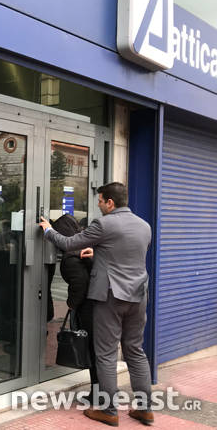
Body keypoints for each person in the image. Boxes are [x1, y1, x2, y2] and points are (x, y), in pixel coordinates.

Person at [39, 182, 153, 427]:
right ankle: (145, 409)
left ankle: (109, 411)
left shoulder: (104, 224)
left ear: (110, 202)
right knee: (135, 351)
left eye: (100, 201)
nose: (98, 205)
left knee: (106, 354)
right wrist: (98, 253)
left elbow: (68, 243)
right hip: (138, 296)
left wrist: (48, 230)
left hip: (111, 297)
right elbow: (125, 254)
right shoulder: (144, 226)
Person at [51, 214, 97, 396]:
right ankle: (101, 392)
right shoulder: (85, 248)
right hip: (99, 306)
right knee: (98, 351)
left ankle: (98, 394)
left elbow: (80, 283)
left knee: (93, 350)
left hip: (88, 309)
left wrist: (71, 303)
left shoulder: (71, 257)